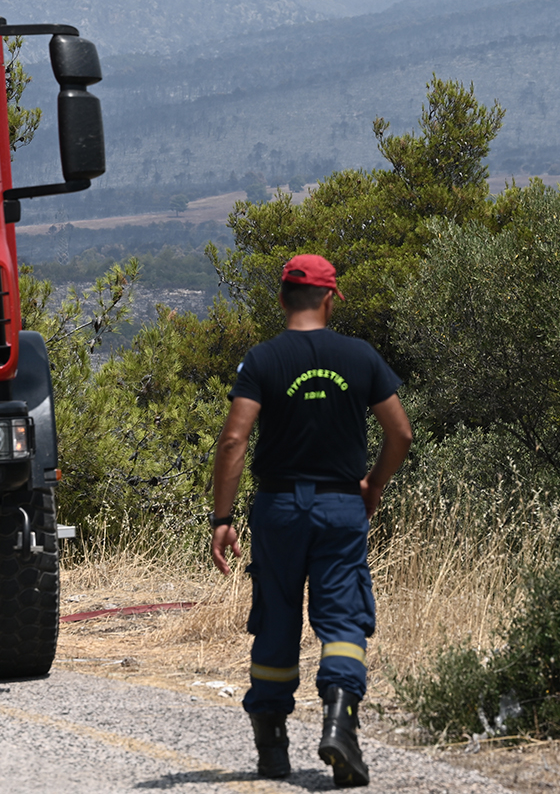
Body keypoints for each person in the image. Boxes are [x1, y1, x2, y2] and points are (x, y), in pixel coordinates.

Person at [209, 253, 412, 787]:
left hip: (278, 509)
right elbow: (401, 433)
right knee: (343, 619)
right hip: (341, 507)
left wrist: (222, 517)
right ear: (329, 299)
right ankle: (340, 724)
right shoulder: (360, 356)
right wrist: (373, 484)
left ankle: (272, 746)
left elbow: (233, 440)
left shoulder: (262, 360)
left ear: (282, 299)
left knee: (276, 618)